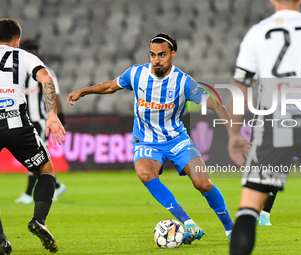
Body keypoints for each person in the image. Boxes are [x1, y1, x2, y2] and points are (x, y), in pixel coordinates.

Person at [67, 33, 250, 244]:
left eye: (162, 55)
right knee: (145, 173)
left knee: (203, 183)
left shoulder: (184, 82)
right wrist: (83, 91)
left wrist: (234, 134)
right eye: (153, 55)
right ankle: (187, 222)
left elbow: (216, 105)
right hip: (145, 140)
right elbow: (110, 86)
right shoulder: (136, 73)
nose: (156, 60)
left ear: (173, 54)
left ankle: (230, 229)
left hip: (176, 138)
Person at [228, 0, 301, 254]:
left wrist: (234, 133)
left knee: (249, 207)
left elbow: (240, 86)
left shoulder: (258, 32)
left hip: (273, 126)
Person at [0, 18, 65, 254]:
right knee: (46, 171)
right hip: (18, 123)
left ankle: (1, 241)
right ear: (17, 40)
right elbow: (46, 79)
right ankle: (38, 220)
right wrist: (52, 116)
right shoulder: (24, 56)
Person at [14, 39, 66, 204]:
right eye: (30, 50)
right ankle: (56, 185)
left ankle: (29, 193)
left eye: (35, 50)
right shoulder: (19, 72)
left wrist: (60, 118)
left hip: (41, 121)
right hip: (23, 121)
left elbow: (55, 96)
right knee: (32, 157)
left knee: (35, 156)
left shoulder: (46, 72)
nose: (33, 53)